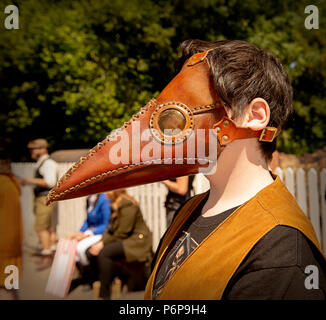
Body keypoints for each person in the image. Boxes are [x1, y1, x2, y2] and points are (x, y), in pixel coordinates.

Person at [47, 39, 326, 300]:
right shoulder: (192, 210)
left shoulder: (282, 253)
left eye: (192, 105)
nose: (174, 127)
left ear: (254, 116)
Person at [87, 189, 152, 299]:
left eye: (108, 191)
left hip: (136, 241)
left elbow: (123, 231)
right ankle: (104, 281)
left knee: (104, 252)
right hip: (124, 238)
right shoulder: (114, 204)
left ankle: (105, 294)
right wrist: (100, 242)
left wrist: (102, 244)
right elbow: (110, 230)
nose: (105, 193)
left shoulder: (127, 204)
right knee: (90, 251)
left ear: (115, 191)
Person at [22, 139, 58, 270]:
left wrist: (28, 180)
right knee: (48, 227)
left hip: (44, 198)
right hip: (45, 198)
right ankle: (52, 252)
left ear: (43, 149)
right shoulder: (43, 163)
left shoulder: (48, 163)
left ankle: (46, 255)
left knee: (41, 227)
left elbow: (50, 182)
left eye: (34, 148)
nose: (32, 151)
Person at [68, 193, 111, 292]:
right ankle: (85, 276)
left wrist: (88, 233)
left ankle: (91, 279)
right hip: (90, 232)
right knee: (73, 245)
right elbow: (87, 220)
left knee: (81, 248)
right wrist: (80, 232)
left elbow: (106, 224)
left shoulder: (104, 199)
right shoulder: (89, 199)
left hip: (100, 232)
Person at [0, 148, 23, 300]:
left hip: (2, 241)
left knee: (3, 286)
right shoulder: (13, 181)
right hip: (14, 241)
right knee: (10, 283)